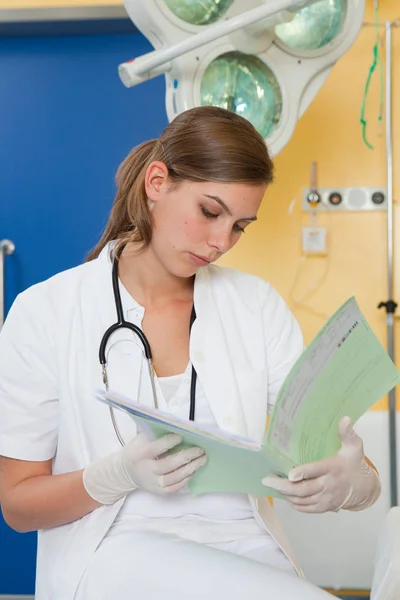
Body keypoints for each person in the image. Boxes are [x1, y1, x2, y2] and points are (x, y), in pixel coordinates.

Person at [0, 106, 380, 600]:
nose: (222, 242)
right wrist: (113, 475)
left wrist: (352, 484)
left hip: (248, 550)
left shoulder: (255, 306)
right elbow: (17, 504)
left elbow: (329, 451)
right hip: (115, 551)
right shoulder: (47, 311)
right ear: (157, 182)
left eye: (241, 226)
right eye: (209, 211)